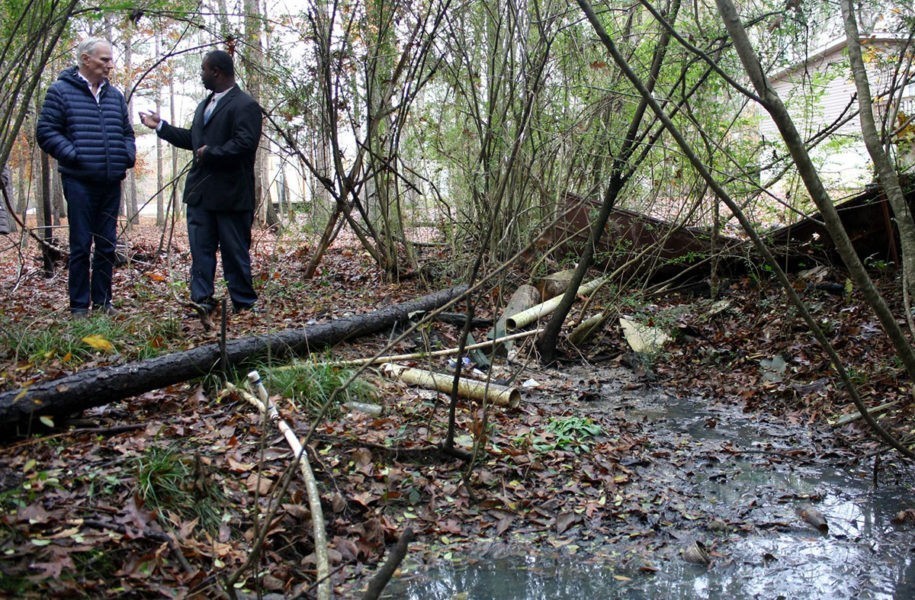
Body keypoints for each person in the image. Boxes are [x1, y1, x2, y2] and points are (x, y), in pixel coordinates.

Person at [139, 49, 262, 315]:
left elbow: (245, 144)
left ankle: (244, 303)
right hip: (200, 196)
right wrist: (161, 127)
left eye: (203, 70)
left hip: (231, 196)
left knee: (235, 252)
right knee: (200, 252)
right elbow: (194, 141)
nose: (201, 75)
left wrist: (211, 153)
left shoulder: (245, 105)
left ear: (216, 71)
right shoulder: (203, 105)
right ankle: (202, 301)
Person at [36, 38, 135, 318]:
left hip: (111, 181)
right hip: (78, 180)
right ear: (85, 59)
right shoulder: (60, 91)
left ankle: (103, 303)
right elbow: (46, 131)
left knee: (107, 245)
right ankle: (79, 306)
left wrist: (127, 156)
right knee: (81, 244)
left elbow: (127, 133)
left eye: (110, 60)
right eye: (104, 60)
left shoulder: (114, 95)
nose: (109, 65)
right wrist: (74, 154)